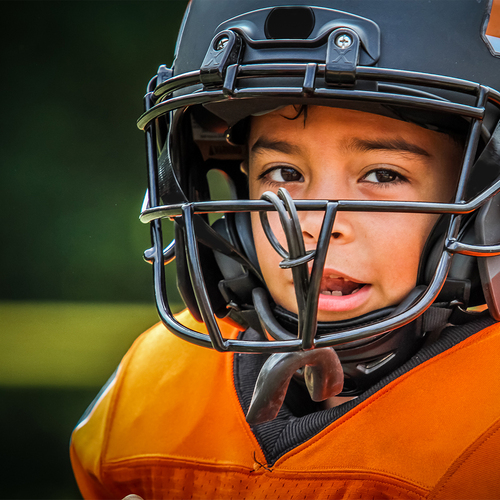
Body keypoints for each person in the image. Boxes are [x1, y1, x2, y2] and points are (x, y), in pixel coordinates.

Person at [70, 0, 500, 498]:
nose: (316, 224)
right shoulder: (151, 387)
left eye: (384, 175)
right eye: (284, 175)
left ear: (482, 206)